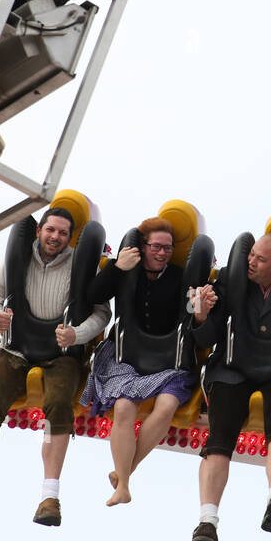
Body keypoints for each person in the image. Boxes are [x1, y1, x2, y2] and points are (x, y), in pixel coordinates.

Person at [0, 208, 110, 527]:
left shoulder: (82, 264)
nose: (56, 237)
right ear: (39, 231)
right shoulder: (17, 259)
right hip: (17, 348)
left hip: (61, 352)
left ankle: (49, 496)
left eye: (63, 233)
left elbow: (102, 313)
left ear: (70, 237)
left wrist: (77, 334)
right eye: (51, 230)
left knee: (59, 406)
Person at [189, 233, 271, 541]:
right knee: (218, 441)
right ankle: (207, 520)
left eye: (260, 259)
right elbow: (207, 338)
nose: (251, 261)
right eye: (252, 255)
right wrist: (201, 314)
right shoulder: (232, 281)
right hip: (233, 369)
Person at [82, 217, 197, 507]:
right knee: (122, 407)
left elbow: (190, 313)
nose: (162, 253)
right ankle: (124, 485)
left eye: (168, 248)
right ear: (142, 247)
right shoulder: (125, 269)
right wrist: (118, 269)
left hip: (167, 360)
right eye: (157, 247)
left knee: (167, 406)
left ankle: (123, 475)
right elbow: (93, 296)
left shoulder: (178, 276)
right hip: (127, 356)